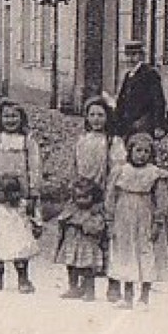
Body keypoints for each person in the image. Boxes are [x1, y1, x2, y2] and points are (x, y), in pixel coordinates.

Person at [0, 100, 41, 288]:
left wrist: (34, 193)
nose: (10, 120)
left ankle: (23, 278)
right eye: (6, 116)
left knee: (21, 233)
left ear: (21, 118)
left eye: (14, 116)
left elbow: (35, 167)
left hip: (21, 195)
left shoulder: (28, 142)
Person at [105, 133, 168, 309]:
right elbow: (111, 196)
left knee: (145, 253)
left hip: (145, 217)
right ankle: (127, 296)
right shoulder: (121, 171)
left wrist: (158, 221)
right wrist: (110, 220)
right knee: (126, 254)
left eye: (146, 152)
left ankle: (144, 297)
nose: (141, 155)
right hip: (123, 217)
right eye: (138, 150)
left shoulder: (155, 174)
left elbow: (162, 200)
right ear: (130, 151)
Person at [71, 95, 127, 302]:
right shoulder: (82, 140)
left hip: (105, 196)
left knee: (108, 243)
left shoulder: (113, 142)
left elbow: (117, 171)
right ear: (86, 117)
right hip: (84, 196)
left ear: (107, 117)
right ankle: (86, 286)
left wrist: (108, 195)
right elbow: (76, 167)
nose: (96, 119)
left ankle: (114, 287)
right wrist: (77, 189)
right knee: (85, 241)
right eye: (92, 115)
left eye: (100, 115)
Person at [51, 177, 107, 301]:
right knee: (71, 266)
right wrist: (66, 220)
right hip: (72, 243)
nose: (81, 200)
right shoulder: (72, 209)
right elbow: (62, 219)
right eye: (78, 197)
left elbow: (98, 227)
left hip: (87, 244)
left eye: (85, 197)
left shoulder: (94, 212)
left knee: (88, 269)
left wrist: (82, 224)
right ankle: (73, 287)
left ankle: (89, 291)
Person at [114, 41, 168, 140]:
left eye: (134, 54)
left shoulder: (149, 73)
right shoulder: (128, 75)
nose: (130, 59)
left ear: (141, 56)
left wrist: (158, 125)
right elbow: (121, 101)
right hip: (128, 122)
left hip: (144, 122)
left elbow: (158, 100)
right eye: (128, 55)